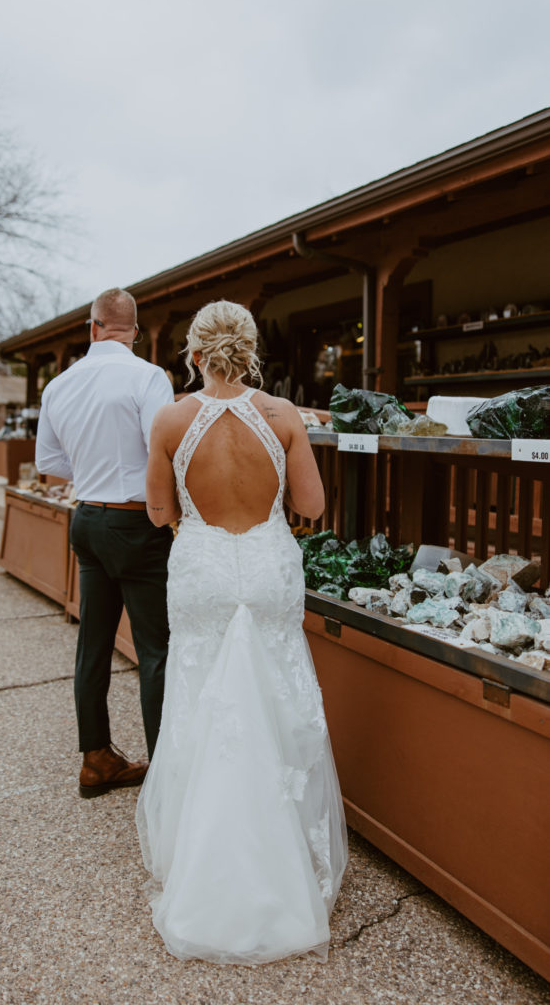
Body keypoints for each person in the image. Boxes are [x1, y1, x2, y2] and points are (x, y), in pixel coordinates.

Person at [135, 300, 348, 965]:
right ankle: (284, 862)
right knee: (277, 698)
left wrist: (192, 521)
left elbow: (157, 509)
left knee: (201, 702)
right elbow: (311, 507)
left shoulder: (171, 416)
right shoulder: (283, 416)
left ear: (193, 352)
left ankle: (203, 865)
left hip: (199, 567)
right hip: (264, 563)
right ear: (252, 347)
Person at [35, 287, 174, 798]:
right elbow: (163, 455)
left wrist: (94, 469)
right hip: (135, 526)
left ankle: (96, 760)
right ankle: (164, 773)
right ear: (134, 332)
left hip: (86, 520)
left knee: (92, 646)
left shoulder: (60, 384)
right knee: (155, 649)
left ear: (91, 328)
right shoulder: (148, 377)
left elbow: (48, 464)